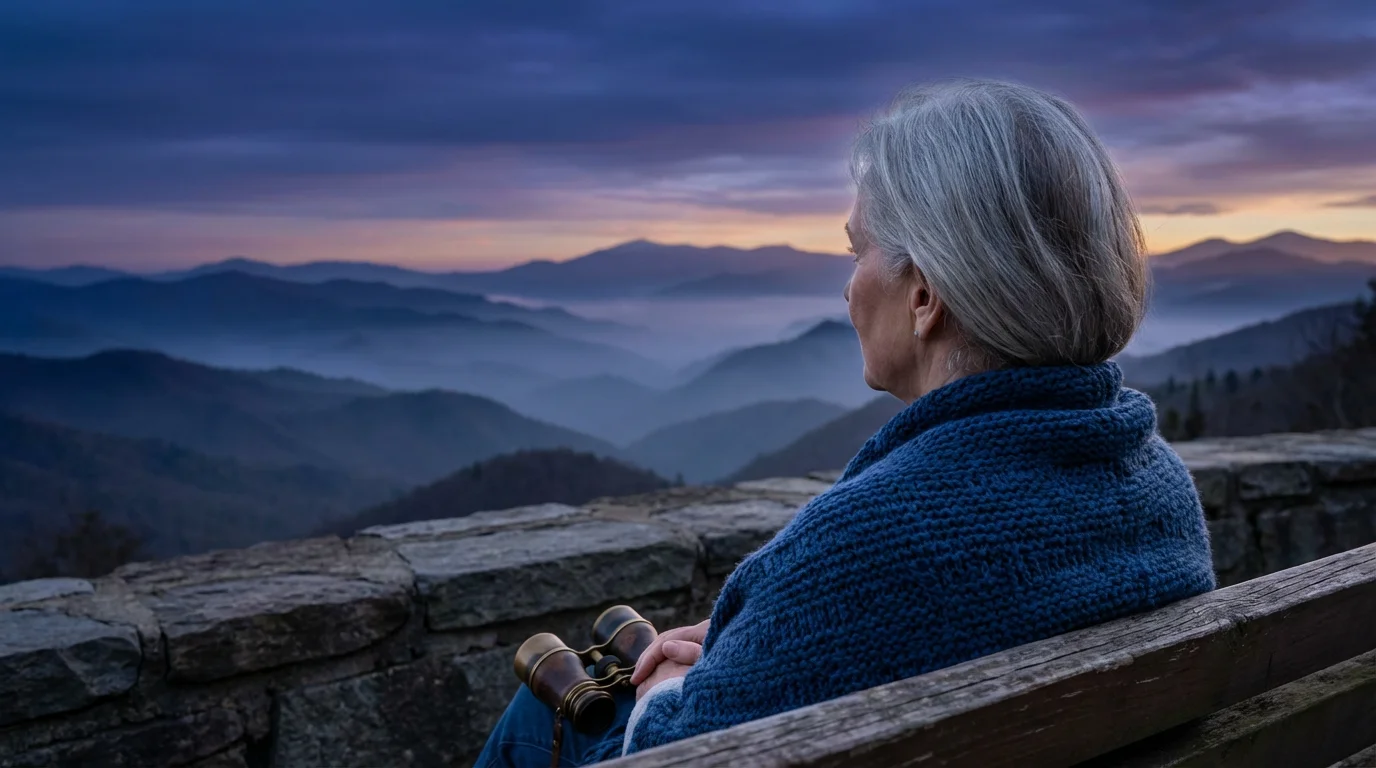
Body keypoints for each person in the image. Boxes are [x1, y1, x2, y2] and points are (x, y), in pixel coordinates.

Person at [474, 78, 1216, 767]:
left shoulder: (871, 544)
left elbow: (675, 751)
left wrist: (666, 687)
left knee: (539, 720)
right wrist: (761, 647)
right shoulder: (1158, 490)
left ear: (924, 296)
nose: (847, 284)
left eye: (858, 250)